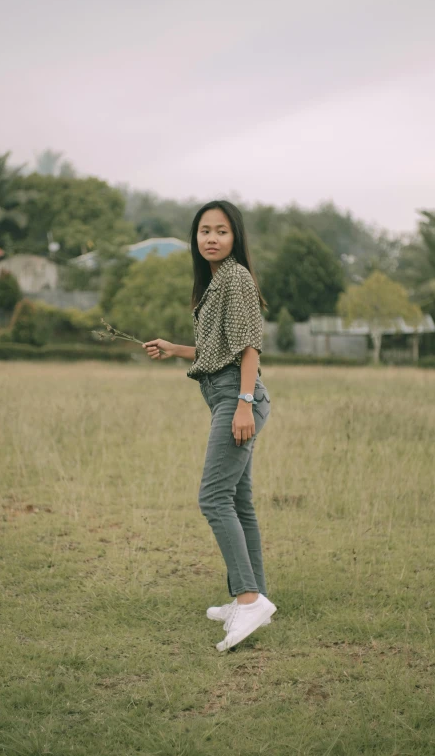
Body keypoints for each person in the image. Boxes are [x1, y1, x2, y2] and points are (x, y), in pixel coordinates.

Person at [142, 200, 277, 651]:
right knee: (239, 501)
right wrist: (174, 348)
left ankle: (248, 597)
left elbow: (249, 347)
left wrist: (242, 404)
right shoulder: (216, 282)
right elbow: (214, 350)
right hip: (226, 393)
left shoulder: (235, 277)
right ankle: (251, 596)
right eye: (204, 231)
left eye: (221, 230)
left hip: (236, 397)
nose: (212, 238)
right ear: (195, 238)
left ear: (235, 236)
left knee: (213, 497)